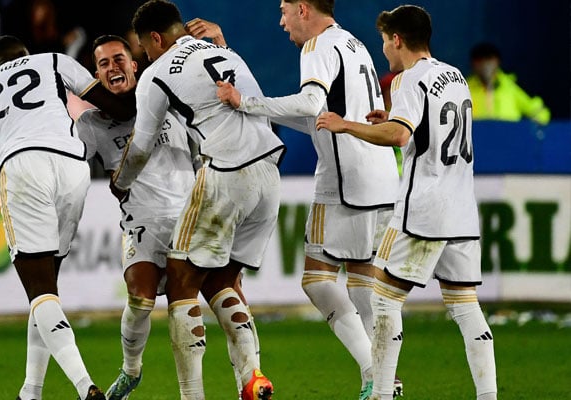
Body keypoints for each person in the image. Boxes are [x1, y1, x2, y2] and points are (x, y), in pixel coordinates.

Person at [216, 1, 400, 397]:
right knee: (363, 280)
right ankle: (384, 380)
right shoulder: (353, 44)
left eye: (284, 10)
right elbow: (315, 117)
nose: (280, 21)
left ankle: (375, 371)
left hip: (344, 179)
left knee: (317, 281)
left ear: (304, 9)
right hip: (382, 175)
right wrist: (259, 108)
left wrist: (245, 103)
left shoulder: (316, 47)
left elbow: (308, 104)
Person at [315, 5, 498, 400]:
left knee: (383, 300)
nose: (384, 50)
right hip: (462, 209)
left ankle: (381, 394)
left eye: (384, 41)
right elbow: (423, 129)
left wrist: (346, 124)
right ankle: (489, 396)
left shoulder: (406, 80)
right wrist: (392, 117)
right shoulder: (455, 77)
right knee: (466, 307)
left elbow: (399, 136)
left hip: (423, 210)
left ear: (397, 39)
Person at [110, 1, 285, 399]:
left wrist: (121, 182)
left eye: (143, 47)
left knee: (182, 282)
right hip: (269, 171)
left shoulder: (156, 72)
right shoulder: (222, 50)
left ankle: (192, 395)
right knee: (223, 281)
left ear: (155, 38)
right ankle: (252, 376)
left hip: (226, 171)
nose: (144, 55)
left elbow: (139, 145)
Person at [0, 35, 135, 400]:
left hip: (22, 165)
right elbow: (115, 108)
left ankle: (87, 390)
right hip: (72, 164)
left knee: (40, 292)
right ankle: (30, 391)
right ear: (24, 55)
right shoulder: (51, 60)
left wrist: (14, 163)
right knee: (46, 289)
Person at [467, 42, 550, 125]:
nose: (485, 64)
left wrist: (537, 121)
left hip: (509, 135)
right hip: (477, 136)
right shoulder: (465, 87)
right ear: (473, 63)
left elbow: (538, 111)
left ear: (497, 61)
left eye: (489, 58)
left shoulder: (511, 86)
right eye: (479, 59)